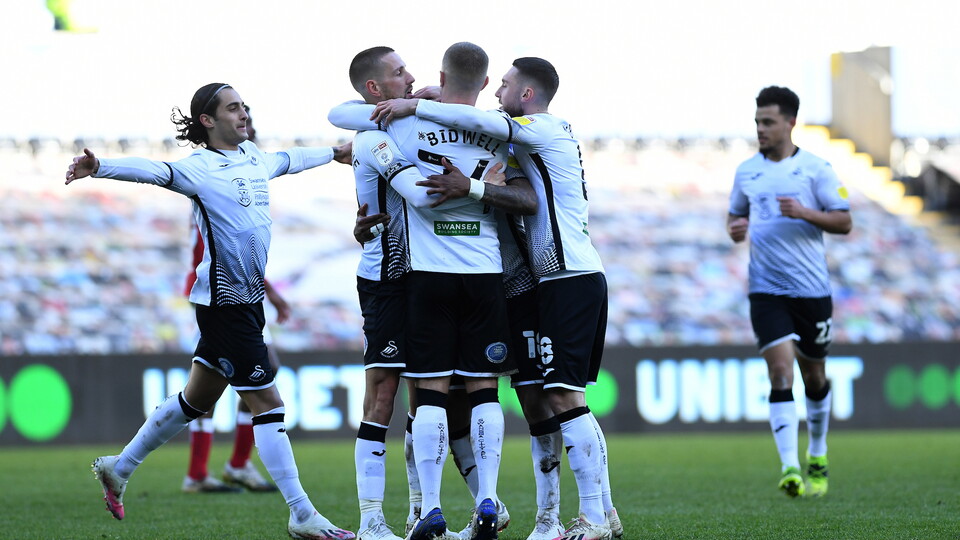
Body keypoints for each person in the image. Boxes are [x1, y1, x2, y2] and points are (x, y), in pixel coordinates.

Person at [67, 82, 356, 540]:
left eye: (244, 106)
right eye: (233, 108)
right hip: (225, 306)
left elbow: (292, 159)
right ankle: (302, 514)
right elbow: (154, 170)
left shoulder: (255, 158)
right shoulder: (200, 169)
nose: (244, 114)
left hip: (247, 303)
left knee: (195, 400)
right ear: (208, 120)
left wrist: (335, 152)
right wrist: (101, 166)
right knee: (268, 405)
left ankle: (118, 468)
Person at [371, 57, 620, 540]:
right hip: (538, 285)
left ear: (525, 95)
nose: (496, 91)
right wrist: (429, 98)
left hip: (565, 275)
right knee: (541, 398)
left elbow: (488, 137)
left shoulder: (538, 128)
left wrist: (416, 107)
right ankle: (567, 517)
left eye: (504, 85)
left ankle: (593, 515)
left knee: (564, 396)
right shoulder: (519, 139)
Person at [330, 43, 524, 540]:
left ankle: (427, 509)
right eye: (400, 74)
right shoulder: (497, 130)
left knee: (428, 395)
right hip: (440, 274)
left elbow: (342, 117)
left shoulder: (397, 126)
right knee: (455, 392)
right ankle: (399, 513)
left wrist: (417, 106)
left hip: (424, 273)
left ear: (441, 75)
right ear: (484, 85)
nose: (411, 78)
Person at [726, 85, 852, 498]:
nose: (760, 129)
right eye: (757, 122)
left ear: (790, 123)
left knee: (813, 375)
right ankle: (790, 468)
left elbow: (844, 221)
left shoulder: (817, 168)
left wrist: (805, 213)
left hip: (811, 290)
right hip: (766, 289)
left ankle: (818, 450)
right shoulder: (747, 171)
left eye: (768, 122)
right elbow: (735, 218)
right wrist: (735, 229)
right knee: (780, 372)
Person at [181, 105, 279, 495]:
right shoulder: (213, 177)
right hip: (215, 291)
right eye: (243, 122)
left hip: (238, 288)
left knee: (217, 380)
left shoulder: (239, 174)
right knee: (227, 382)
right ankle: (215, 469)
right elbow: (226, 248)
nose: (248, 133)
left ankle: (224, 466)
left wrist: (272, 294)